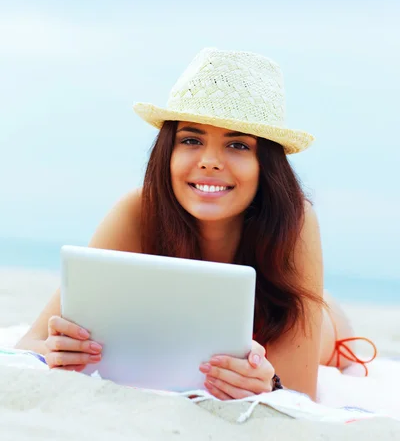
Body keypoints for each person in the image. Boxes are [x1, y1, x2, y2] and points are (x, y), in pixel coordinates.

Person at [16, 47, 376, 401]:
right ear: (167, 151)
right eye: (191, 139)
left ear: (265, 164)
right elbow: (31, 343)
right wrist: (58, 348)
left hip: (321, 323)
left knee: (322, 321)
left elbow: (299, 393)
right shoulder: (138, 209)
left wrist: (270, 386)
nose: (209, 162)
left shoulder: (294, 220)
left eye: (237, 145)